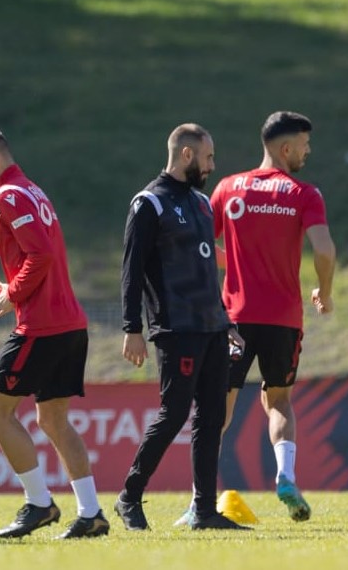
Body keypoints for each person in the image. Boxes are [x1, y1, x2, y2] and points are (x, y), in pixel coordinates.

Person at [0, 126, 109, 540]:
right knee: (54, 420)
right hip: (70, 322)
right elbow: (40, 254)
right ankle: (91, 513)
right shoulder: (33, 190)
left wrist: (15, 294)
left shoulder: (8, 195)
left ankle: (39, 503)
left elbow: (38, 256)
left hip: (41, 326)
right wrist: (8, 290)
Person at [114, 123, 248, 531]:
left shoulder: (202, 204)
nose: (212, 165)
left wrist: (225, 320)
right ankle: (129, 497)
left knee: (211, 418)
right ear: (186, 155)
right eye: (208, 157)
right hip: (175, 327)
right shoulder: (149, 203)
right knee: (173, 415)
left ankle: (204, 511)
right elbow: (131, 270)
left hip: (210, 326)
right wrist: (131, 327)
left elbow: (207, 269)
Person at [210, 111, 336, 522]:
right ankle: (285, 477)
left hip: (235, 317)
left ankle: (199, 497)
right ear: (285, 149)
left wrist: (235, 266)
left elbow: (199, 245)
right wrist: (325, 290)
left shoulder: (228, 188)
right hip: (283, 318)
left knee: (221, 406)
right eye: (304, 145)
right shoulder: (304, 193)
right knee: (279, 399)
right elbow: (325, 251)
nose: (308, 152)